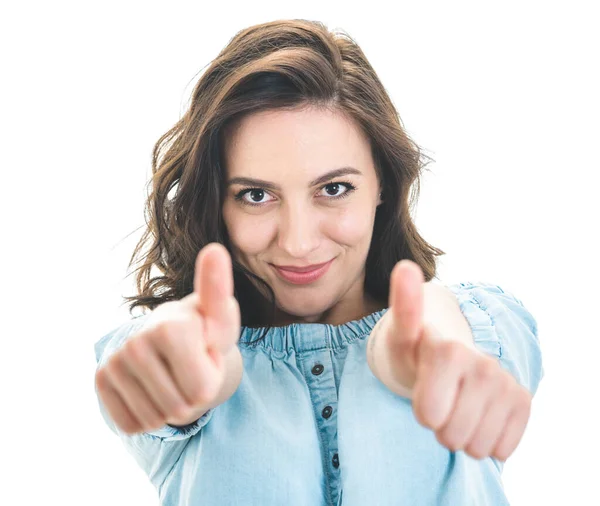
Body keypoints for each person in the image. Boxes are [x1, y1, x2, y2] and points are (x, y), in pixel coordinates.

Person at [93, 19, 544, 506]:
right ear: (216, 204)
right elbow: (170, 360)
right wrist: (181, 358)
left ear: (383, 185)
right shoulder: (172, 356)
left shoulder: (480, 325)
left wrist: (425, 347)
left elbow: (440, 323)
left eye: (333, 189)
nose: (298, 243)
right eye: (256, 194)